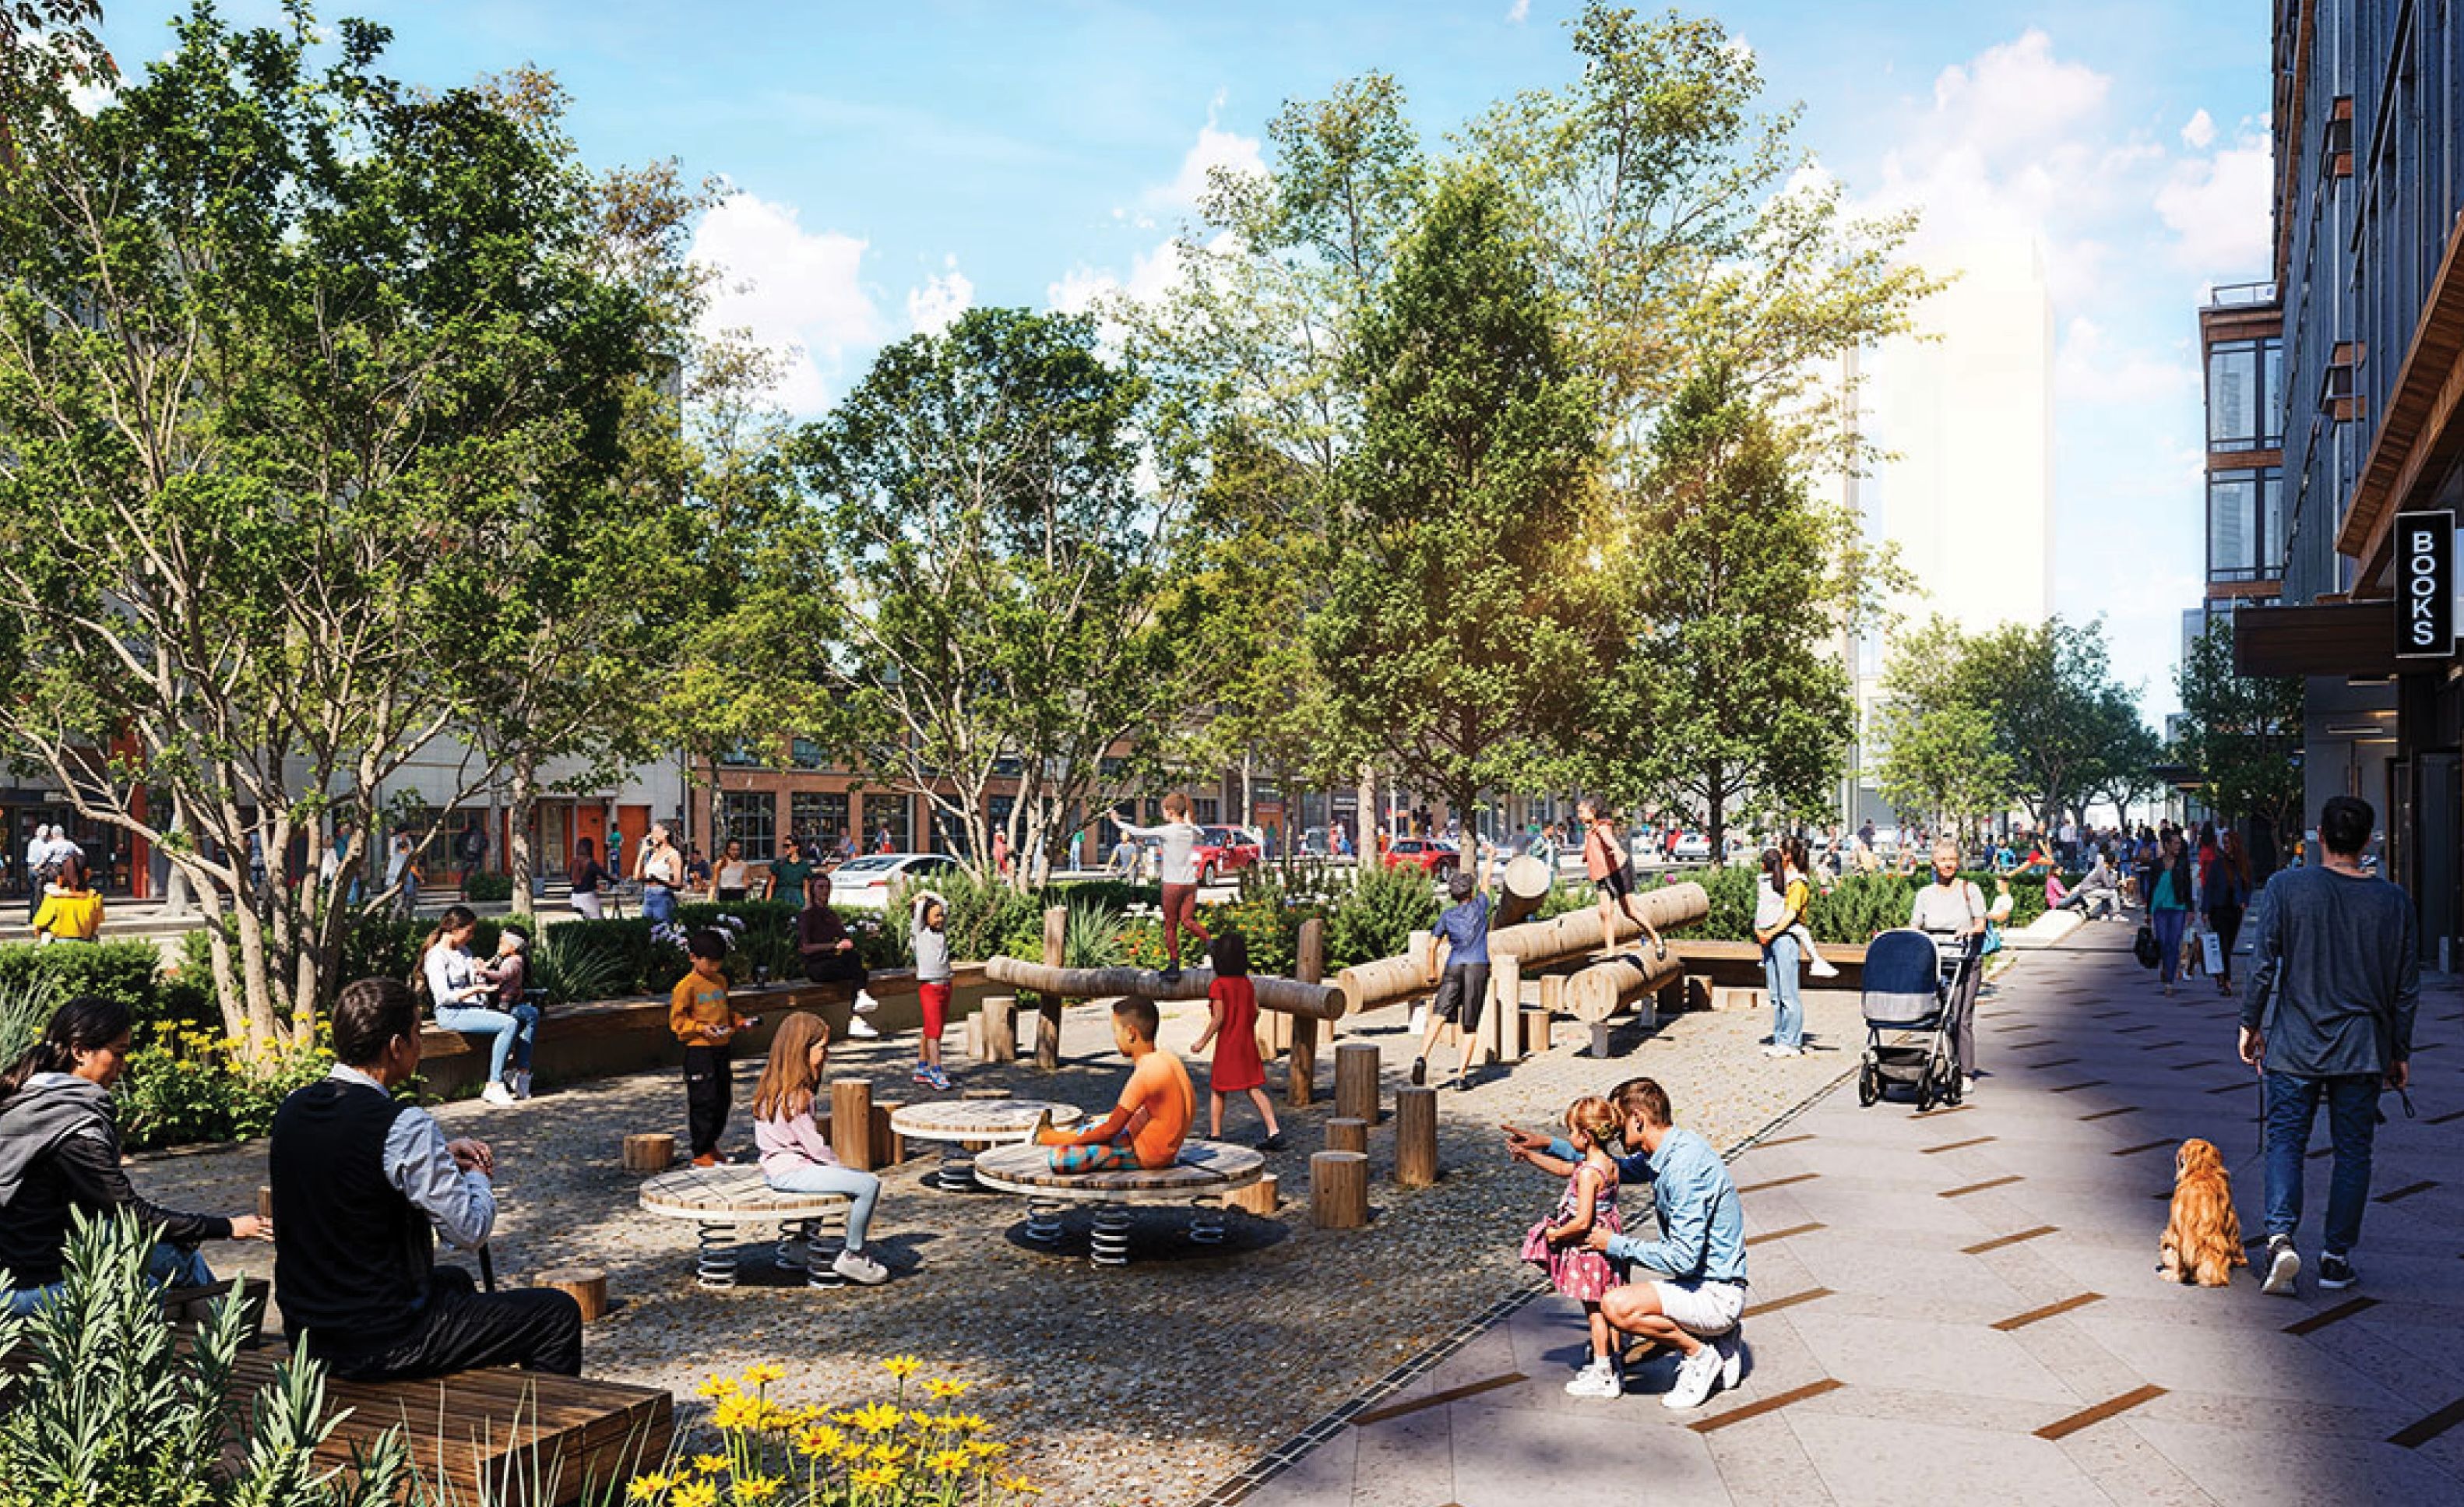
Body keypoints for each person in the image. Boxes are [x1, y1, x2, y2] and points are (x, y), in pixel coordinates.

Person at [269, 977, 581, 1379]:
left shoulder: (294, 1109)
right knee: (555, 1315)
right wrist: (477, 1178)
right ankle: (551, 1434)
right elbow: (467, 1232)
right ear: (396, 1046)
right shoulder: (403, 1124)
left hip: (310, 1331)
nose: (420, 1043)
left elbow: (345, 1171)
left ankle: (466, 1409)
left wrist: (439, 1157)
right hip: (382, 1341)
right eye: (418, 1032)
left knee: (453, 1282)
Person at [2241, 794, 2415, 1298]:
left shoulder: (2285, 887)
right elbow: (2405, 987)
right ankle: (2336, 1258)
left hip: (2295, 1041)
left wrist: (2250, 1024)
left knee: (2286, 1142)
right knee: (2354, 1152)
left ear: (2319, 835)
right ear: (2366, 842)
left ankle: (2279, 1239)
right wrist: (2399, 1051)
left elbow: (2263, 963)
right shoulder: (2393, 901)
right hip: (2362, 1045)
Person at [0, 995, 270, 1316]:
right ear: (79, 1051)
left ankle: (227, 1340)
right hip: (26, 1289)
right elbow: (130, 1212)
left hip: (48, 1261)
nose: (123, 1067)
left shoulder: (30, 1099)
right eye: (118, 1054)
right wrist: (228, 1227)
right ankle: (228, 1347)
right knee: (147, 1294)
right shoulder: (71, 1129)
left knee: (176, 1256)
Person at [1505, 1077, 1745, 1410]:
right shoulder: (1670, 1149)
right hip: (1702, 1282)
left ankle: (1701, 1354)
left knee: (1616, 1306)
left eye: (1618, 1124)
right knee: (1615, 1305)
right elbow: (1605, 1166)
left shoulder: (1683, 1170)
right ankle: (1716, 1335)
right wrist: (1545, 1143)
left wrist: (1612, 1243)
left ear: (1638, 1119)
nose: (1614, 1133)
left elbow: (1684, 1259)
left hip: (1715, 1291)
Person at [752, 1012, 891, 1285]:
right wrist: (842, 1169)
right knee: (867, 1185)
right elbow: (815, 1146)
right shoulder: (798, 1096)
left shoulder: (771, 1086)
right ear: (802, 1050)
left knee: (824, 1177)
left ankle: (800, 1244)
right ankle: (853, 1255)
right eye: (822, 1048)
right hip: (791, 1170)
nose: (827, 1054)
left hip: (776, 1168)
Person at [1518, 1095, 1625, 1398]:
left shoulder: (1590, 1173)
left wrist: (1556, 1235)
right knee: (1609, 1307)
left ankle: (1603, 1372)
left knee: (1595, 1311)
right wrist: (1529, 1154)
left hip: (1591, 1250)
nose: (1568, 1137)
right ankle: (1615, 1366)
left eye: (1572, 1132)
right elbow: (1565, 1170)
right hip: (1610, 1246)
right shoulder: (1607, 1164)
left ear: (1586, 1135)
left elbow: (1582, 1221)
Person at [1030, 998, 1193, 1172]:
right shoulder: (1170, 1060)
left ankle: (1046, 1137)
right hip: (1163, 1148)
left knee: (1059, 1158)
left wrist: (1060, 1140)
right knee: (1097, 1122)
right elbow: (1188, 1109)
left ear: (1131, 1033)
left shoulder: (1146, 1073)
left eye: (1116, 1032)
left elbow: (1110, 1130)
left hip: (1144, 1155)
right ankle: (1054, 1134)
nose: (1115, 1039)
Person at [419, 907, 537, 1107]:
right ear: (454, 929)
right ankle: (494, 1084)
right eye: (469, 931)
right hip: (451, 1012)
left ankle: (520, 1075)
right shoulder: (436, 956)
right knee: (508, 1024)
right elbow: (443, 996)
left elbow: (477, 979)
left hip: (475, 1008)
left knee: (528, 1015)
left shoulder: (464, 951)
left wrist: (482, 971)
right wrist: (474, 990)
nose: (471, 937)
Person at [671, 927, 756, 1167]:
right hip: (699, 1050)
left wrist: (738, 1021)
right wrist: (699, 1028)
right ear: (693, 958)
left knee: (722, 1097)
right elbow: (677, 1022)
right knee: (703, 1100)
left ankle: (711, 1145)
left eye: (718, 963)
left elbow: (724, 1010)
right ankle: (700, 1151)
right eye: (709, 963)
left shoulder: (720, 981)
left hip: (721, 1047)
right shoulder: (686, 986)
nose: (714, 968)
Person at [1909, 838, 1987, 1095]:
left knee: (1962, 1017)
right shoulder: (1925, 895)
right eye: (1943, 860)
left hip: (1965, 961)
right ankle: (1949, 1064)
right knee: (1944, 1017)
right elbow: (1915, 926)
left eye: (1952, 860)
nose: (1948, 864)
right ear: (1934, 863)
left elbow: (1981, 924)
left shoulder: (1969, 889)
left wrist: (1968, 931)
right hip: (1937, 962)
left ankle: (1965, 1072)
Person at [1191, 931, 1282, 1150]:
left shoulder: (1219, 986)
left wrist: (1202, 1041)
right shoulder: (1246, 983)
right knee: (1253, 1088)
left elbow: (1218, 1018)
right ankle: (1273, 1129)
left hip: (1228, 1045)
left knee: (1218, 1088)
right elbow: (1256, 1011)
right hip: (1246, 1043)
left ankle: (1215, 1134)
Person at [1413, 860, 1493, 1092]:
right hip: (1477, 966)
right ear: (1471, 891)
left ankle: (1421, 1056)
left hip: (1454, 965)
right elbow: (1487, 883)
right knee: (1470, 1025)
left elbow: (1431, 945)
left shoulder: (1447, 916)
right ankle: (1460, 1077)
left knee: (1438, 1015)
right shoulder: (1480, 906)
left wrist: (1431, 970)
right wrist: (1490, 858)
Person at [1114, 795, 1209, 983]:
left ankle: (1174, 966)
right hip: (1190, 883)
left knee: (1170, 925)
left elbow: (1138, 833)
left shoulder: (1168, 831)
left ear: (1171, 812)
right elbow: (1202, 833)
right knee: (1188, 921)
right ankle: (1212, 943)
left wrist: (1117, 822)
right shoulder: (1190, 831)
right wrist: (1188, 821)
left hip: (1172, 884)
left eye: (1164, 810)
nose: (1163, 813)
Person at [797, 875, 882, 1039]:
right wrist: (833, 946)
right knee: (853, 968)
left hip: (833, 960)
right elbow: (805, 948)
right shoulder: (807, 916)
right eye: (821, 887)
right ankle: (857, 1013)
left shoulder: (831, 915)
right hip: (816, 965)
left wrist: (858, 938)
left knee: (856, 963)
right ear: (813, 891)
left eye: (827, 887)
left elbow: (844, 938)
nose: (825, 891)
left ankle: (858, 1011)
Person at [1578, 801, 1665, 962]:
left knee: (1629, 911)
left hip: (1617, 872)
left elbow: (1610, 841)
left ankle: (1656, 938)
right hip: (1602, 875)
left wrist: (1617, 850)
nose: (1579, 816)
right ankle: (1610, 952)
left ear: (1593, 811)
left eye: (1581, 812)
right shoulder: (1590, 830)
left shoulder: (1602, 828)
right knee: (1605, 913)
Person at [1751, 847, 1809, 1058]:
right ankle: (1780, 1038)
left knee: (1788, 994)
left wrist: (1771, 932)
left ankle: (1792, 1041)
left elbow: (1791, 914)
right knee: (1776, 994)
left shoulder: (1796, 883)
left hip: (1783, 938)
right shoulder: (1770, 882)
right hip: (1769, 938)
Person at [910, 889, 953, 1090]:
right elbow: (919, 914)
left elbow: (945, 904)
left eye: (941, 915)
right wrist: (921, 901)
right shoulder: (920, 933)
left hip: (945, 984)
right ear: (925, 918)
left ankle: (921, 1067)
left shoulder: (942, 933)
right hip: (930, 987)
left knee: (932, 1028)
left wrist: (928, 893)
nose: (940, 918)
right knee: (934, 1033)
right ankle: (936, 1070)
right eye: (936, 915)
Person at [2202, 829, 2254, 997]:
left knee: (2229, 944)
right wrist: (2205, 910)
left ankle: (2221, 973)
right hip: (2219, 908)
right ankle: (2227, 982)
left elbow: (2248, 884)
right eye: (2224, 843)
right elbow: (2209, 887)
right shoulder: (2218, 863)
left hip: (2235, 908)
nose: (2226, 846)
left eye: (2228, 843)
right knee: (2223, 943)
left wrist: (2245, 901)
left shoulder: (2242, 863)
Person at [2148, 832, 2195, 997]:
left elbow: (2188, 888)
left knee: (2174, 943)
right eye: (2175, 843)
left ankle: (2169, 980)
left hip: (2178, 908)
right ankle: (2166, 966)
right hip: (2160, 909)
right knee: (2162, 941)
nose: (2178, 846)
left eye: (2179, 844)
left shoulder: (2182, 864)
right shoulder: (2156, 865)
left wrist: (2191, 909)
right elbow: (2151, 889)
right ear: (2166, 845)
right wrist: (2148, 911)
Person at [30, 852, 104, 943]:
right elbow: (95, 925)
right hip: (86, 946)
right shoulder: (95, 898)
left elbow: (39, 927)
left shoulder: (53, 898)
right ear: (87, 873)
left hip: (58, 946)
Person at [633, 823, 685, 926]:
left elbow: (678, 884)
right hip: (648, 895)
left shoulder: (673, 854)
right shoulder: (653, 855)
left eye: (656, 832)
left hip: (662, 896)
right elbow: (637, 876)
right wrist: (642, 853)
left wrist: (659, 881)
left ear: (666, 833)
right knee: (646, 928)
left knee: (662, 929)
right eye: (652, 832)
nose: (652, 835)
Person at [568, 836, 613, 921]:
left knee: (587, 920)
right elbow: (604, 875)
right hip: (587, 897)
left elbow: (573, 878)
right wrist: (615, 881)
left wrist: (595, 884)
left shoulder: (574, 862)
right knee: (598, 921)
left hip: (575, 898)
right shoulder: (590, 862)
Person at [763, 836, 815, 905]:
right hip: (780, 898)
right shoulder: (779, 864)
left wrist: (807, 904)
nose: (785, 848)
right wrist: (767, 903)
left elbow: (806, 888)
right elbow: (771, 884)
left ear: (796, 847)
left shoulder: (804, 866)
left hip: (798, 900)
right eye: (784, 846)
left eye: (788, 846)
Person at [386, 832, 421, 920]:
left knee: (399, 903)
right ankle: (399, 920)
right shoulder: (404, 857)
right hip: (402, 882)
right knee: (404, 903)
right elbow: (412, 868)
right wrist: (421, 879)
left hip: (394, 881)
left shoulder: (395, 856)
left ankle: (394, 920)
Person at [710, 839, 752, 903]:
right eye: (733, 850)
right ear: (728, 850)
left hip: (739, 893)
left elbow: (746, 883)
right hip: (725, 893)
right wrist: (711, 898)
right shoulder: (721, 863)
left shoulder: (744, 865)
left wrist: (749, 885)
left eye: (737, 850)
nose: (735, 852)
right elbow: (714, 883)